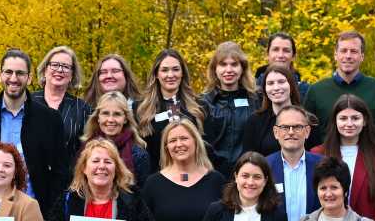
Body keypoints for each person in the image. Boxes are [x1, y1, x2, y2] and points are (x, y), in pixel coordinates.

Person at [0, 48, 68, 215]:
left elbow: (60, 173)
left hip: (34, 211)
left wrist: (51, 216)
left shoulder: (50, 120)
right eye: (8, 72)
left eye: (20, 73)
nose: (13, 78)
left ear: (29, 78)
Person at [313, 94, 375, 221]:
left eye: (355, 118)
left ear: (365, 121)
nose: (349, 124)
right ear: (335, 121)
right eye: (343, 118)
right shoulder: (318, 154)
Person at [304, 30, 375, 146]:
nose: (348, 56)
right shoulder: (316, 91)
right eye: (343, 51)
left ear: (362, 56)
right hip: (325, 156)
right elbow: (307, 133)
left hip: (369, 156)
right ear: (335, 55)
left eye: (353, 51)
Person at [141, 121, 226, 221]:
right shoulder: (153, 184)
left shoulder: (216, 180)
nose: (179, 144)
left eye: (184, 138)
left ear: (196, 142)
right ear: (166, 147)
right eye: (172, 141)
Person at [135, 49, 206, 172]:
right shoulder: (141, 108)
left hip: (192, 175)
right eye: (164, 70)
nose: (170, 75)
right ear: (156, 74)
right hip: (155, 176)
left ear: (182, 73)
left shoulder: (199, 106)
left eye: (175, 69)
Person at [200, 41, 260, 172]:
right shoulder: (203, 103)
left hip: (248, 172)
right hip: (213, 172)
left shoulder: (256, 99)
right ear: (215, 69)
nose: (229, 70)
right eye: (223, 64)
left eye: (234, 64)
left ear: (242, 68)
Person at [242, 63, 319, 156]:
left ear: (291, 85)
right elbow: (249, 158)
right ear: (265, 89)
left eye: (281, 82)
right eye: (270, 83)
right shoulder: (254, 121)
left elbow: (315, 156)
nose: (276, 88)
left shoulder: (309, 120)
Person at [32, 46, 91, 167]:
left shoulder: (83, 109)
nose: (59, 70)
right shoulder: (27, 102)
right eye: (54, 65)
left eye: (65, 66)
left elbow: (87, 150)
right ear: (45, 70)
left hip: (69, 176)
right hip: (29, 175)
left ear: (72, 75)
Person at [80, 91, 151, 186]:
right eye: (105, 113)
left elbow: (143, 192)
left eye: (117, 114)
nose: (110, 120)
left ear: (125, 119)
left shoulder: (139, 155)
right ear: (98, 118)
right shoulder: (85, 148)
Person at [254, 31, 310, 100]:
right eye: (275, 49)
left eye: (286, 50)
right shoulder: (253, 92)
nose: (280, 55)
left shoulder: (307, 93)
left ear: (293, 56)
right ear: (267, 54)